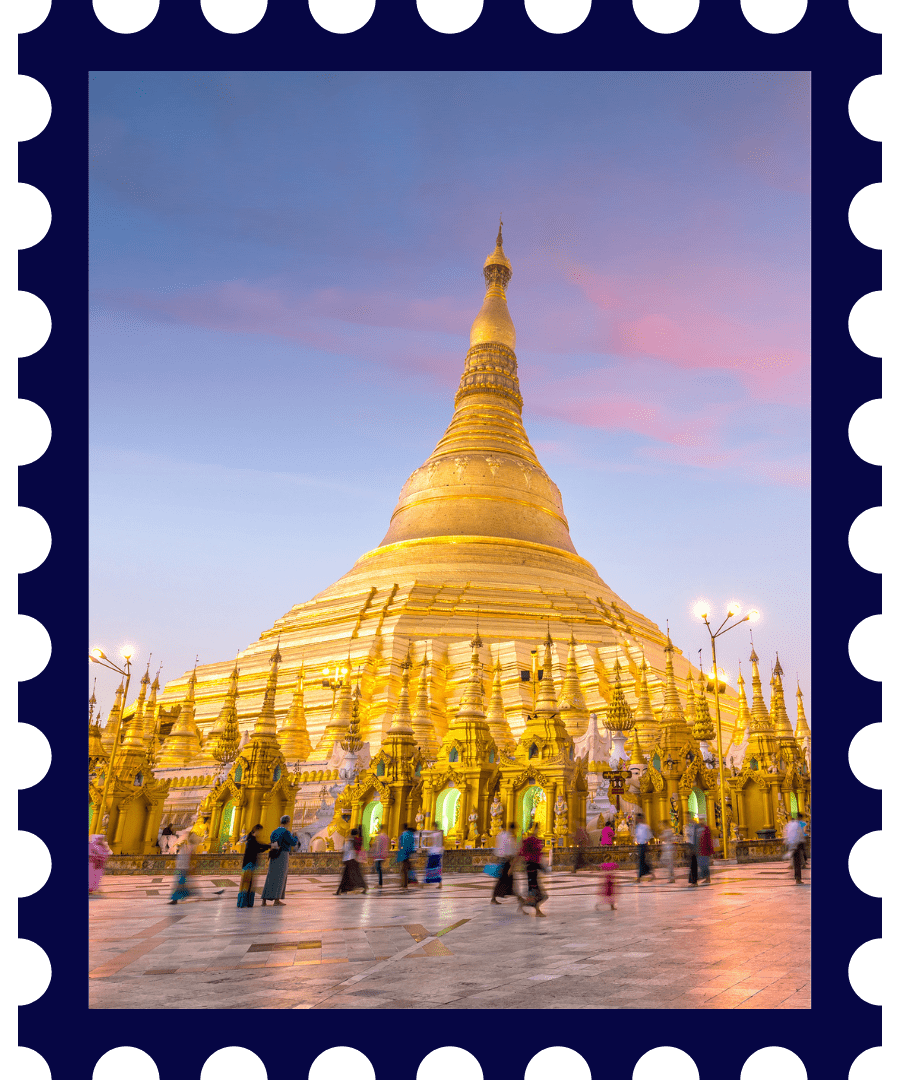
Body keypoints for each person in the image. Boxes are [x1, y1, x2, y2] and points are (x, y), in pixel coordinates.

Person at [261, 816, 300, 906]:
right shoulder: (286, 832)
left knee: (270, 876)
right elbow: (293, 842)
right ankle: (276, 900)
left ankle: (264, 900)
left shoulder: (274, 832)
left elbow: (272, 842)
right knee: (280, 877)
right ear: (288, 822)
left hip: (274, 854)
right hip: (283, 855)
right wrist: (296, 837)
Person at [237, 824, 270, 908]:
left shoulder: (251, 839)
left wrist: (268, 846)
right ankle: (244, 903)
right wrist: (269, 846)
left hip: (249, 864)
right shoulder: (252, 840)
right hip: (249, 864)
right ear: (256, 831)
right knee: (247, 884)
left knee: (248, 884)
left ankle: (245, 902)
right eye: (259, 831)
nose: (260, 833)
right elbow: (258, 847)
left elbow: (258, 849)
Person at [518, 825, 548, 916]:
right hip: (530, 866)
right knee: (534, 890)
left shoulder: (537, 840)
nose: (537, 830)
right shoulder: (529, 840)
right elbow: (522, 852)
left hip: (535, 866)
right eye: (536, 829)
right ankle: (537, 911)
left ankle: (523, 904)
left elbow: (538, 854)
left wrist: (542, 867)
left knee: (535, 891)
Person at [490, 820, 518, 904]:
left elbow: (497, 847)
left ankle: (514, 894)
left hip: (501, 858)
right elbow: (509, 850)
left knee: (507, 879)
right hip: (506, 860)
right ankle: (494, 898)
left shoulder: (500, 835)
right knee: (502, 879)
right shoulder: (508, 836)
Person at [169, 829, 199, 904]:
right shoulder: (185, 845)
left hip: (183, 867)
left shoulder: (189, 846)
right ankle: (180, 897)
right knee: (181, 883)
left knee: (180, 883)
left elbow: (192, 857)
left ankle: (176, 899)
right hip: (181, 867)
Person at [336, 828, 368, 894]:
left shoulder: (350, 840)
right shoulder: (352, 840)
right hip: (351, 860)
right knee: (351, 876)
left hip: (350, 860)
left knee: (350, 876)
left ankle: (340, 891)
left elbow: (345, 849)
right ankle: (341, 890)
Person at [396, 823, 420, 889]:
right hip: (407, 854)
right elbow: (411, 844)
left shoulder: (404, 834)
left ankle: (404, 885)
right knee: (408, 868)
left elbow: (402, 845)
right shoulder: (410, 834)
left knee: (403, 870)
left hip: (404, 854)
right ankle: (412, 881)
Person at [783, 813, 805, 885]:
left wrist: (787, 842)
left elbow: (785, 834)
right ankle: (798, 879)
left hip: (791, 845)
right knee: (798, 862)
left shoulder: (788, 824)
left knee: (795, 862)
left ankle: (797, 877)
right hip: (797, 845)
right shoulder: (797, 825)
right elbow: (800, 835)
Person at [634, 812, 654, 882]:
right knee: (642, 861)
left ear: (641, 819)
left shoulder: (645, 827)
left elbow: (649, 836)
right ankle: (651, 874)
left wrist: (646, 843)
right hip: (639, 845)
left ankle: (639, 878)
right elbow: (636, 837)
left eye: (638, 818)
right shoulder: (637, 827)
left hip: (644, 845)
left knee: (641, 861)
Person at [370, 824, 389, 888]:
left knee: (378, 869)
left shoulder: (379, 837)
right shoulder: (386, 836)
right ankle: (380, 883)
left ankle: (380, 883)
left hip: (378, 855)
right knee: (379, 869)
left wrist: (373, 852)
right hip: (383, 855)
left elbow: (376, 846)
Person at [697, 816, 713, 885]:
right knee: (701, 864)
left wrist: (710, 850)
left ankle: (707, 878)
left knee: (705, 864)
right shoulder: (698, 829)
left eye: (701, 820)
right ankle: (705, 877)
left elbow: (709, 840)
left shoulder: (706, 829)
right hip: (700, 849)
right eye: (699, 820)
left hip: (705, 849)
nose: (700, 821)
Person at [685, 818, 701, 886]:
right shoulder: (687, 826)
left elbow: (696, 837)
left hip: (694, 846)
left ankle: (694, 881)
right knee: (692, 865)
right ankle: (693, 881)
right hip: (691, 846)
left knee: (693, 864)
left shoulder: (695, 826)